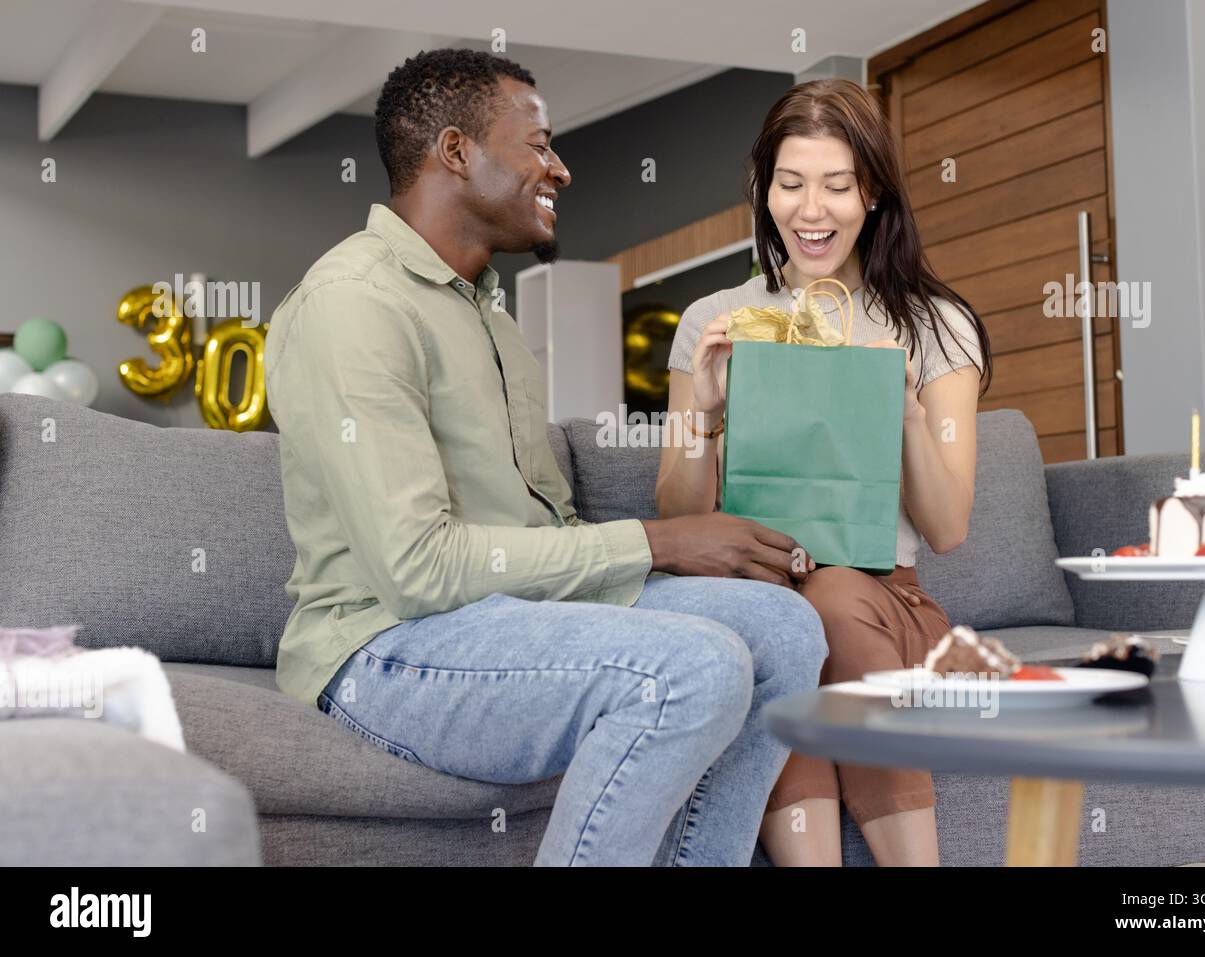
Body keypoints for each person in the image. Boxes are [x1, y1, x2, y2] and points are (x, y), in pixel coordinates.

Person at [263, 49, 827, 867]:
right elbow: (417, 570)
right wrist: (659, 542)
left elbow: (540, 529)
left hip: (508, 619)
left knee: (786, 629)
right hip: (387, 646)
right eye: (540, 145)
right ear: (456, 152)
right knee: (693, 666)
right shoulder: (353, 304)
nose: (559, 170)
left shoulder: (487, 313)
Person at [656, 78, 993, 866]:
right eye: (791, 183)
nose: (813, 211)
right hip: (764, 591)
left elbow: (948, 527)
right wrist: (703, 410)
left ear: (871, 192)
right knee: (779, 623)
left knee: (829, 600)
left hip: (886, 608)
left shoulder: (933, 325)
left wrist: (904, 407)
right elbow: (676, 518)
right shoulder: (715, 321)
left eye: (837, 185)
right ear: (764, 190)